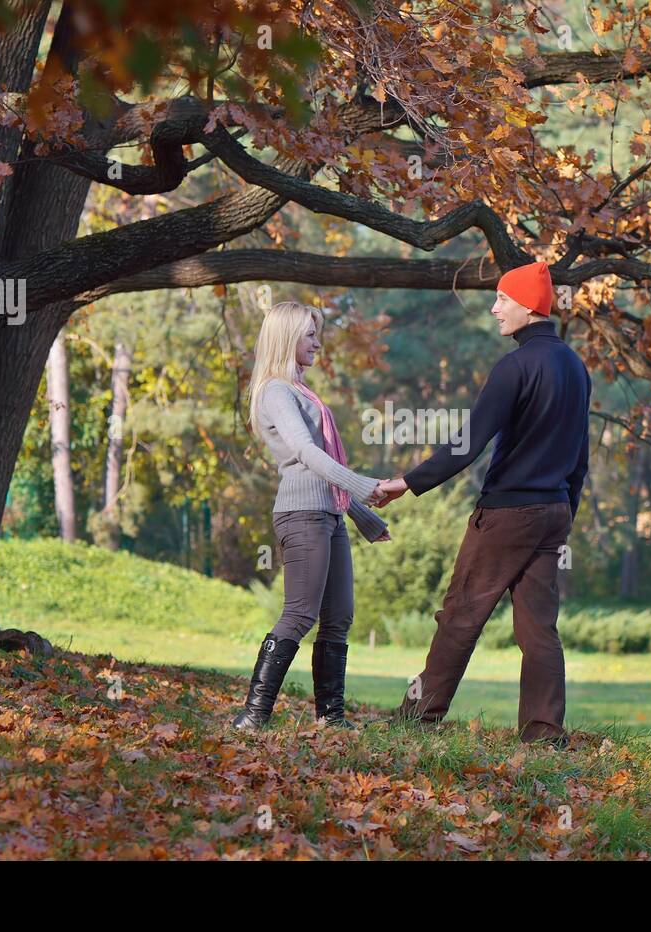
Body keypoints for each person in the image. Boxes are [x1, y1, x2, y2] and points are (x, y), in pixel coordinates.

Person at [375, 261, 591, 745]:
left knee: (460, 616)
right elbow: (580, 455)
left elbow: (466, 443)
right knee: (539, 629)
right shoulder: (576, 368)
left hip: (507, 514)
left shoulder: (514, 367)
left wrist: (407, 482)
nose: (494, 309)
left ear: (529, 305)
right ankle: (544, 732)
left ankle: (416, 720)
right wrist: (564, 514)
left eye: (502, 299)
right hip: (552, 512)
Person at [233, 301, 390, 731]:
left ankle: (331, 718)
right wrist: (361, 484)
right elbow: (306, 455)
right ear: (286, 338)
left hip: (328, 515)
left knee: (338, 616)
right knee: (300, 613)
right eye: (310, 334)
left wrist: (362, 516)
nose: (318, 342)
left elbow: (322, 472)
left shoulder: (302, 392)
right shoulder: (276, 391)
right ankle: (254, 715)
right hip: (301, 516)